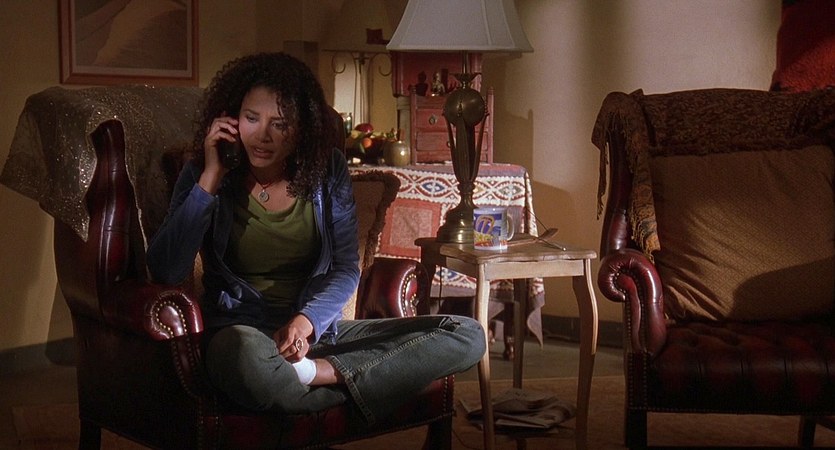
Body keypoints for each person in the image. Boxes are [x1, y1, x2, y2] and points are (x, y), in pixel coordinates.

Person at [146, 52, 485, 423]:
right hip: (245, 336)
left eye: (280, 124)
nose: (262, 135)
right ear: (231, 119)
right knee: (238, 356)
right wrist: (210, 179)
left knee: (466, 334)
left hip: (317, 336)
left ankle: (314, 374)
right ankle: (350, 391)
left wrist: (304, 323)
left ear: (301, 129)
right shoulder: (204, 172)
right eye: (251, 118)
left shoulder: (328, 170)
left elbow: (345, 267)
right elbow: (166, 269)